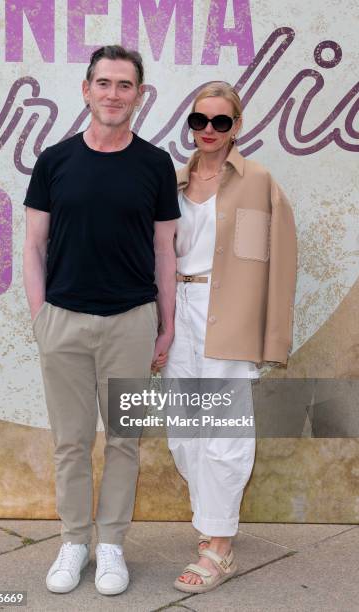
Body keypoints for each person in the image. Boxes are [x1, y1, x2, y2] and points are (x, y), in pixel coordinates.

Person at [22, 45, 180, 596]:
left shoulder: (155, 164)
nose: (114, 94)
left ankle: (111, 544)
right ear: (87, 89)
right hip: (62, 322)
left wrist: (165, 325)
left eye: (125, 85)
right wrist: (41, 317)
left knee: (124, 440)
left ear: (139, 95)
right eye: (105, 83)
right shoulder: (54, 161)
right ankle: (74, 541)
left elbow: (165, 251)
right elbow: (34, 246)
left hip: (131, 322)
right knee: (70, 441)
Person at [155, 82, 297, 594]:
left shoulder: (259, 183)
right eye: (200, 121)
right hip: (180, 312)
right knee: (184, 430)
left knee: (224, 431)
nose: (209, 131)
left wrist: (272, 338)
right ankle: (213, 522)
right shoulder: (170, 185)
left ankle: (218, 544)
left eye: (221, 122)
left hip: (231, 316)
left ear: (238, 126)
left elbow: (280, 267)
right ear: (188, 125)